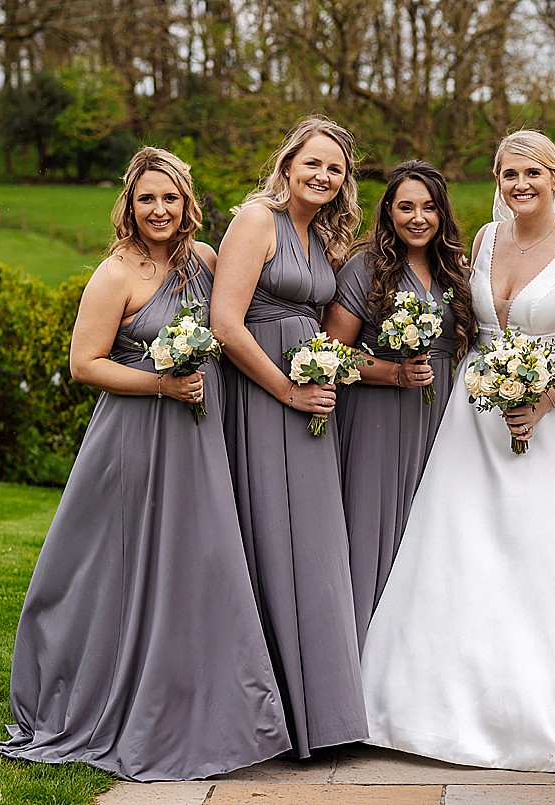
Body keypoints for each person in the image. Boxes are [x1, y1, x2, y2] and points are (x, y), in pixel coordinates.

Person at [0, 147, 291, 781]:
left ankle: (203, 703)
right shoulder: (115, 274)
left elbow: (241, 319)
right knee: (117, 569)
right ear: (129, 205)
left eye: (171, 198)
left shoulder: (205, 261)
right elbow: (85, 365)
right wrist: (161, 383)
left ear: (188, 204)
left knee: (197, 565)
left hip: (199, 438)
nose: (159, 210)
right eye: (147, 199)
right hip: (135, 439)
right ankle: (98, 694)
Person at [359, 130, 555, 772]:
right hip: (473, 419)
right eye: (508, 174)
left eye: (531, 174)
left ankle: (548, 707)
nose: (518, 185)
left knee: (546, 560)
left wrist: (542, 400)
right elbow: (468, 323)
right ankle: (448, 704)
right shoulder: (485, 240)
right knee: (462, 554)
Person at [211, 117, 367, 757]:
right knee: (271, 536)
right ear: (288, 163)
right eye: (313, 164)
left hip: (311, 398)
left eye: (335, 168)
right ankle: (271, 716)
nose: (323, 176)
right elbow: (225, 319)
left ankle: (322, 716)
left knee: (315, 544)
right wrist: (284, 388)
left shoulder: (321, 235)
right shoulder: (256, 220)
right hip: (262, 394)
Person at [322, 160, 475, 647]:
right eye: (405, 206)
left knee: (429, 536)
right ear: (387, 211)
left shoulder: (455, 270)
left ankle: (414, 656)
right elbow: (330, 353)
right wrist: (392, 373)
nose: (418, 217)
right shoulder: (364, 268)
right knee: (373, 531)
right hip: (378, 420)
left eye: (429, 207)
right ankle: (359, 658)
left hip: (443, 418)